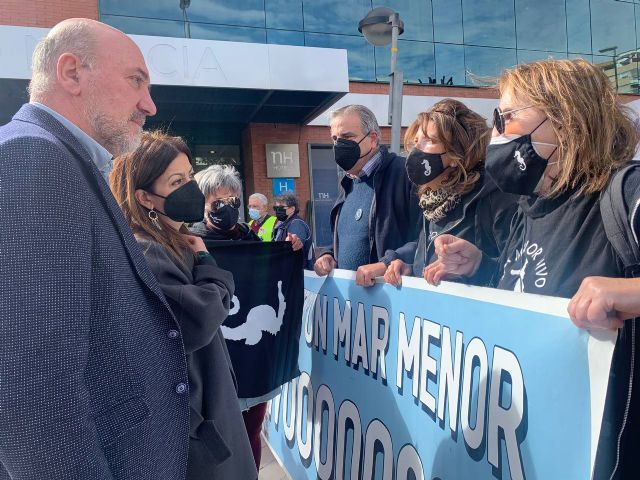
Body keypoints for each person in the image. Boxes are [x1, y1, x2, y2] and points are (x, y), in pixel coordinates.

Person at [423, 59, 640, 479]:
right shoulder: (531, 209)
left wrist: (631, 293)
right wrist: (481, 268)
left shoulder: (625, 192)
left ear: (565, 118)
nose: (497, 133)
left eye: (507, 117)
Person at [0, 19, 191, 479]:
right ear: (71, 73)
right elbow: (31, 394)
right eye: (136, 80)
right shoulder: (34, 159)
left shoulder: (61, 159)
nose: (149, 103)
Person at [110, 131, 257, 480]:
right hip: (194, 419)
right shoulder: (148, 249)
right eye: (177, 181)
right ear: (145, 196)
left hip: (205, 408)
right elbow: (200, 316)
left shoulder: (173, 241)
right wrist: (208, 264)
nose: (189, 187)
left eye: (189, 175)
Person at [189, 165, 301, 470]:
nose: (228, 208)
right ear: (201, 204)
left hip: (253, 361)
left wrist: (290, 250)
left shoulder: (253, 242)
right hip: (210, 362)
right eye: (217, 202)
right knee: (213, 439)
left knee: (251, 431)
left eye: (233, 200)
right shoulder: (186, 244)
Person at [353, 99, 518, 288]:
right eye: (416, 142)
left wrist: (477, 265)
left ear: (457, 154)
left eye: (429, 140)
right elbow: (432, 266)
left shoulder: (493, 197)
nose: (417, 150)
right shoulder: (432, 203)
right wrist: (410, 268)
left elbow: (516, 275)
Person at [314, 104, 421, 277]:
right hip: (356, 302)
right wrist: (329, 255)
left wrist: (388, 263)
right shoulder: (348, 183)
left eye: (347, 137)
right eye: (335, 139)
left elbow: (426, 238)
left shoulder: (405, 174)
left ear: (372, 139)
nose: (338, 145)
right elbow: (350, 238)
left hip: (393, 297)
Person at [272, 192, 314, 269]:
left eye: (281, 208)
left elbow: (293, 249)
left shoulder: (296, 224)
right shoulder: (282, 224)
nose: (277, 211)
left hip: (298, 273)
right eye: (276, 208)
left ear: (292, 209)